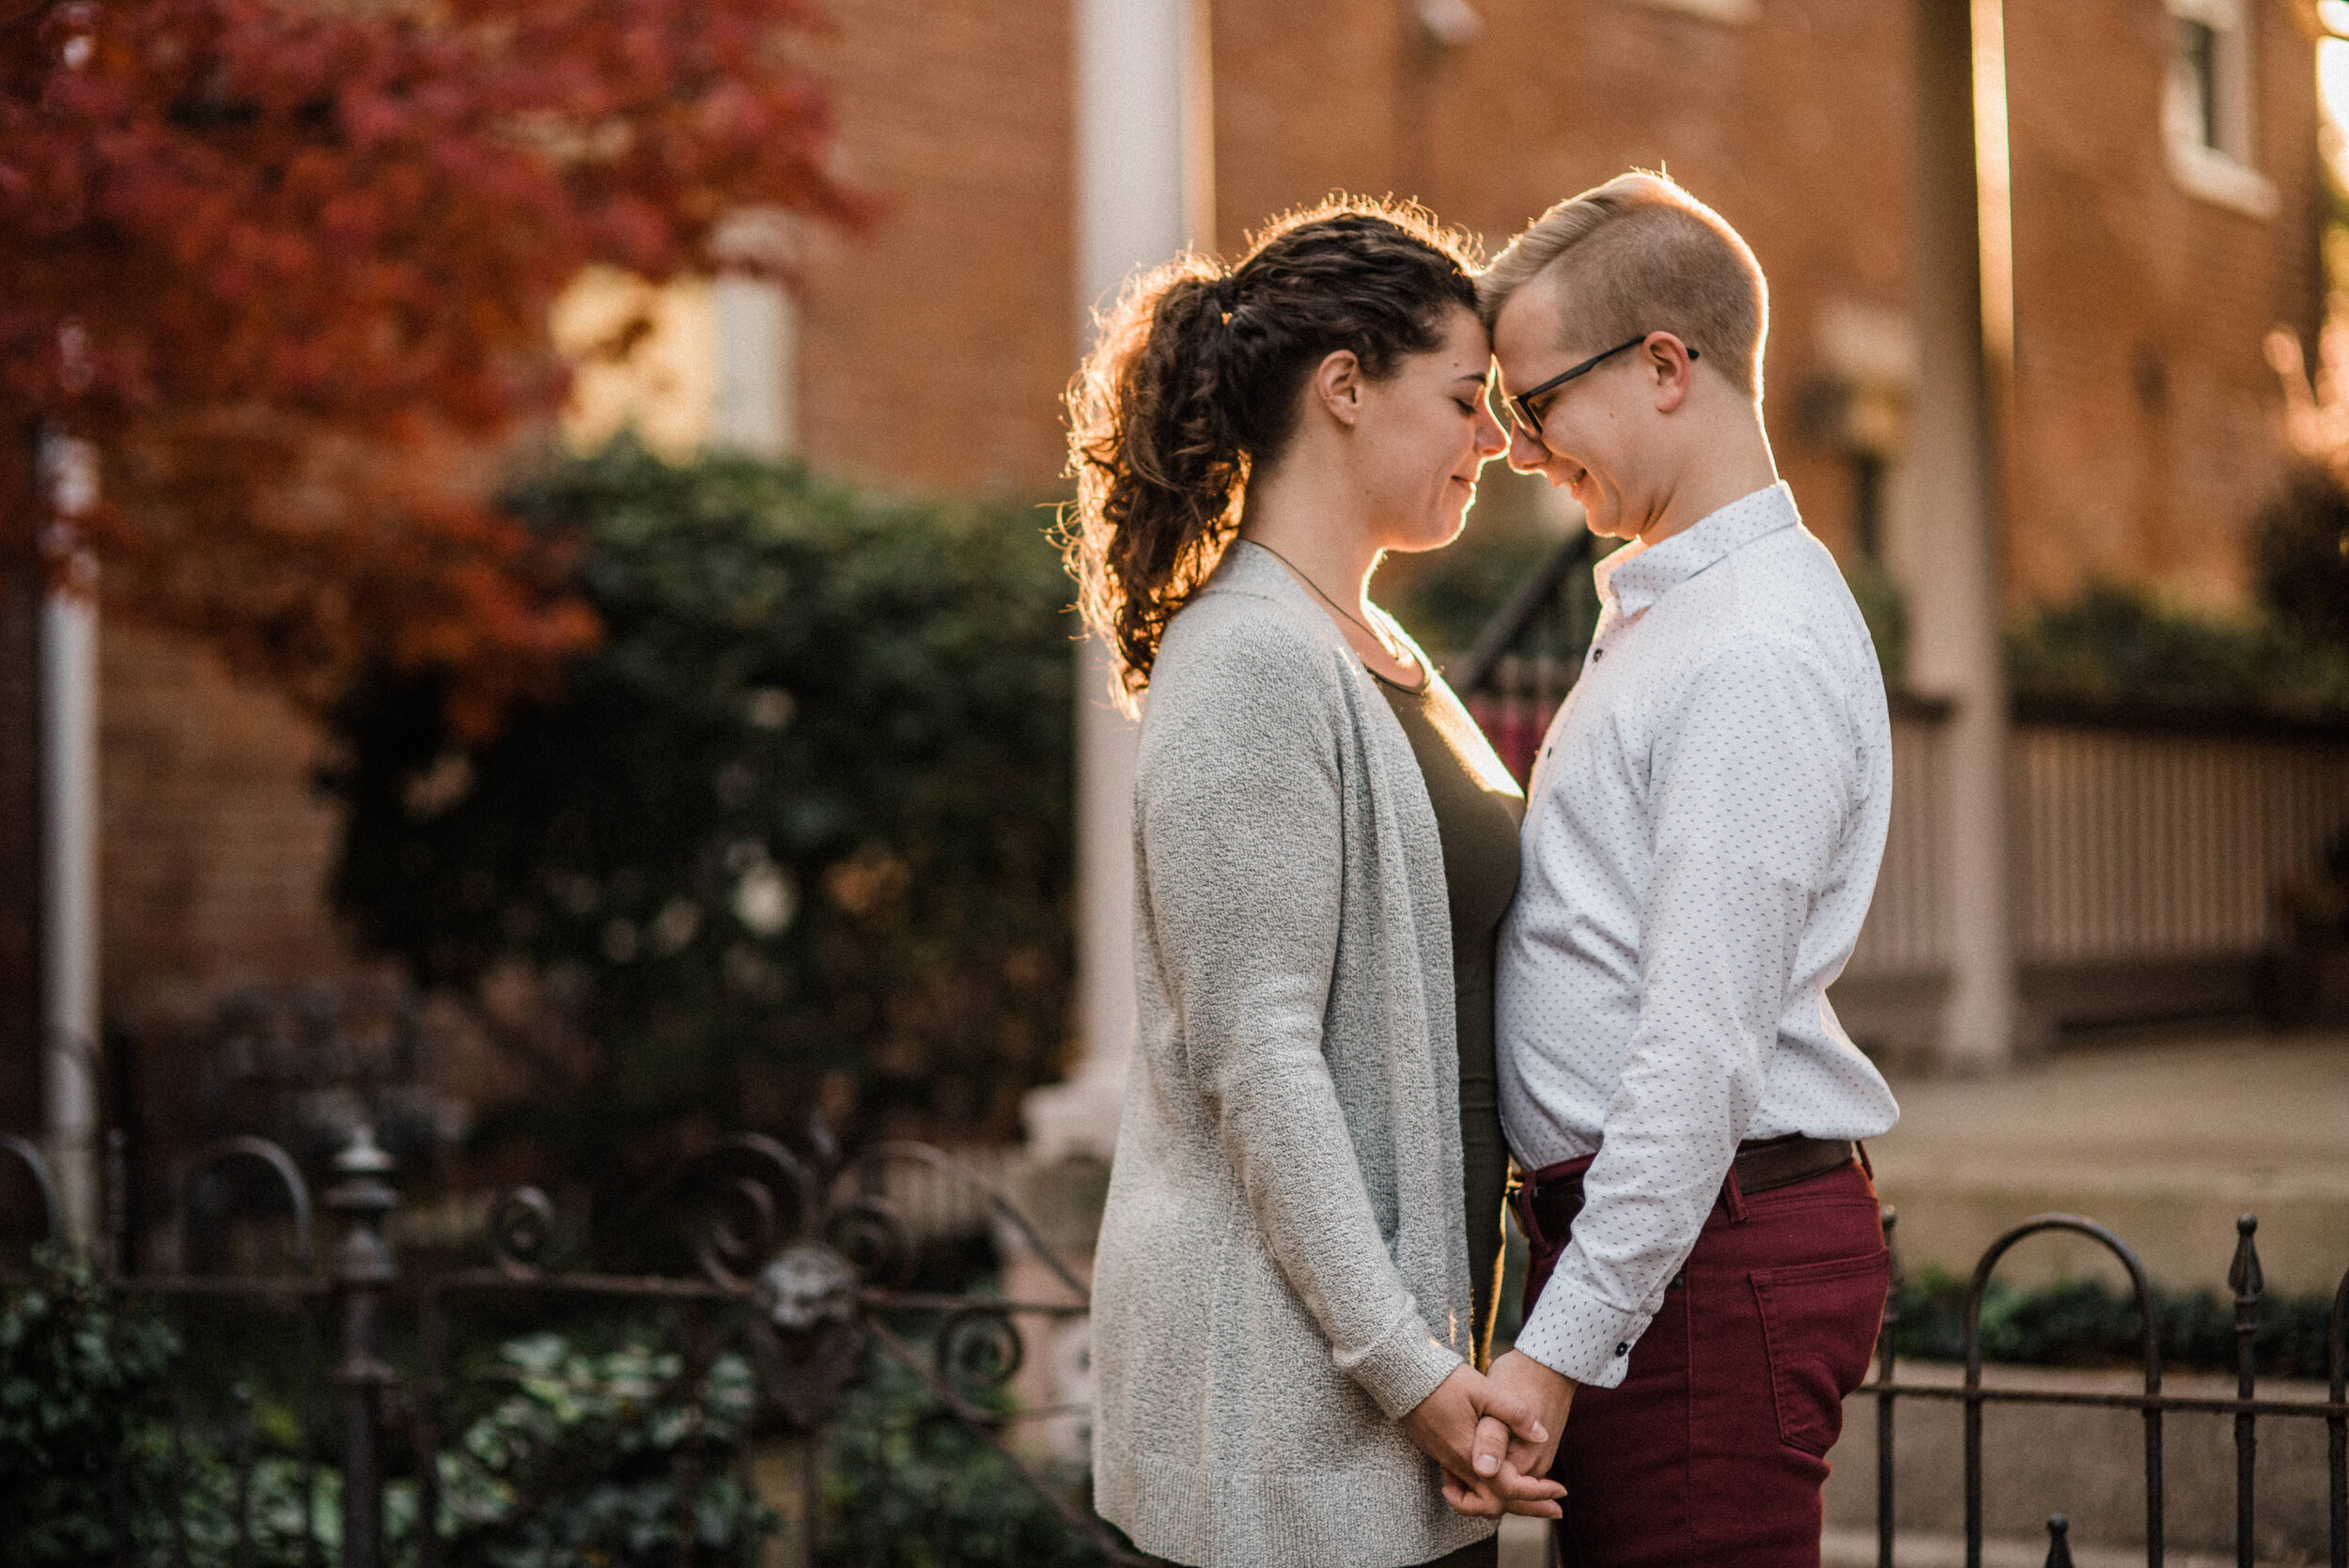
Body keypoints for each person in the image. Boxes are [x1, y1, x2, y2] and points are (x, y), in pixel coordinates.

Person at [1066, 197, 1564, 1568]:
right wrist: (1403, 1365)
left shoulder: (1374, 643)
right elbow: (1261, 1056)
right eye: (1467, 398)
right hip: (1282, 1411)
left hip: (1392, 1383)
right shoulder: (1248, 661)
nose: (1494, 441)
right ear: (1344, 386)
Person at [1460, 172, 1901, 1565]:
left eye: (1538, 406)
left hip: (1709, 1259)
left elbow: (1699, 1049)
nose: (1521, 452)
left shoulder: (1750, 650)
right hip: (1677, 1246)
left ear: (1665, 364)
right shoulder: (1678, 609)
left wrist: (1557, 1347)